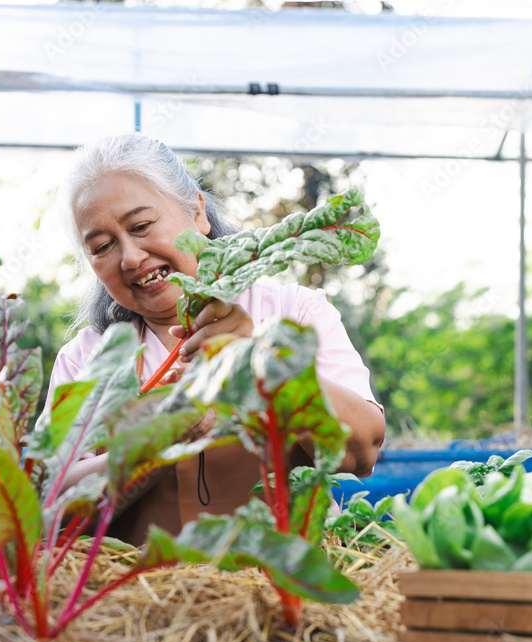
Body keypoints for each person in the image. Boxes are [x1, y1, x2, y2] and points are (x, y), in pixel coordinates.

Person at [48, 134, 386, 544]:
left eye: (141, 226)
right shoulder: (84, 359)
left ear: (197, 212)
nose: (131, 257)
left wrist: (260, 361)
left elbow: (363, 448)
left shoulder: (294, 314)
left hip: (287, 590)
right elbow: (49, 504)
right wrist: (158, 439)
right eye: (102, 246)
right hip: (139, 598)